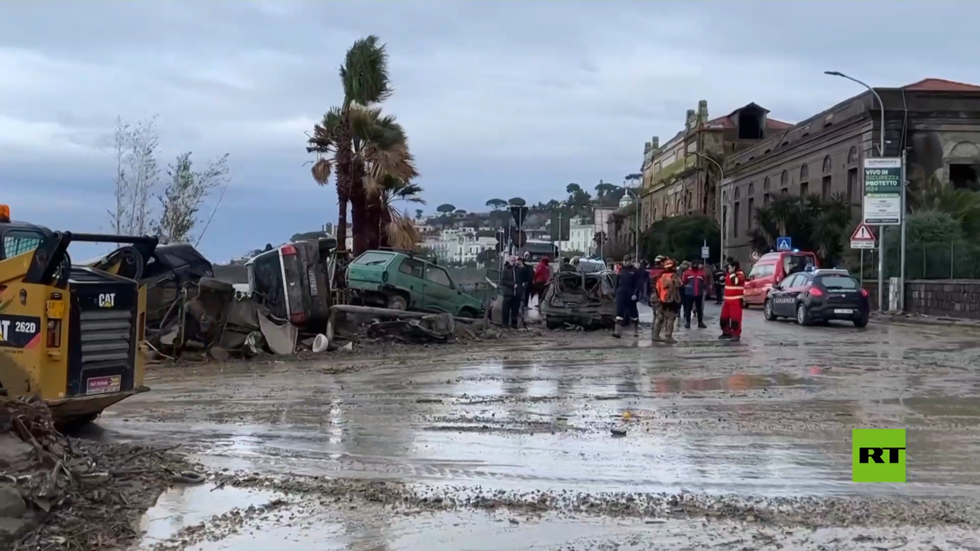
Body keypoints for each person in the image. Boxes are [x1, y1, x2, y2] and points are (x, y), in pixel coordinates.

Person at [612, 255, 644, 338]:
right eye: (624, 261)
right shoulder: (620, 270)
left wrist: (635, 293)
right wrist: (615, 293)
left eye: (627, 261)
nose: (626, 262)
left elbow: (638, 283)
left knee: (633, 313)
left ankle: (635, 331)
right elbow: (617, 282)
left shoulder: (635, 271)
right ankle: (617, 332)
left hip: (631, 293)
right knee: (619, 313)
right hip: (621, 292)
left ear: (630, 261)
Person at [653, 259, 683, 343]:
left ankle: (655, 335)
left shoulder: (661, 277)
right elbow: (680, 284)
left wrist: (659, 298)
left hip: (662, 300)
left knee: (660, 317)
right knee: (670, 318)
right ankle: (668, 336)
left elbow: (657, 288)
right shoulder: (674, 276)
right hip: (671, 300)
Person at [719, 258, 745, 341]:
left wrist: (732, 273)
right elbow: (726, 283)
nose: (728, 269)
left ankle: (736, 334)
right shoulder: (729, 274)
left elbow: (735, 282)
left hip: (736, 301)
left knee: (735, 319)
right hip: (727, 301)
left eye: (730, 267)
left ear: (734, 267)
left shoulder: (740, 274)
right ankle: (726, 332)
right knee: (724, 318)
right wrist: (722, 279)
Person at [681, 260, 709, 328]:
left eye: (696, 264)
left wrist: (705, 288)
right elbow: (683, 281)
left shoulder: (702, 273)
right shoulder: (687, 273)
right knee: (688, 309)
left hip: (699, 293)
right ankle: (688, 322)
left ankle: (700, 322)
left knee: (699, 309)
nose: (695, 265)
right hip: (689, 293)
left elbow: (705, 282)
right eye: (694, 264)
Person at [501, 256, 519, 328]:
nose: (513, 262)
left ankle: (514, 325)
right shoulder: (506, 270)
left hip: (516, 294)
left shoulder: (517, 269)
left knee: (515, 310)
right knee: (506, 310)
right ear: (509, 261)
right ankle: (505, 324)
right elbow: (503, 280)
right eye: (512, 260)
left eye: (514, 260)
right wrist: (512, 284)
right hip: (508, 293)